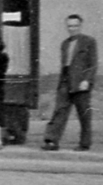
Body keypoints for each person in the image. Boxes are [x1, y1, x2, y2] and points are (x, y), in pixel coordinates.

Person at [41, 14, 97, 151]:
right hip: (66, 81)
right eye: (70, 26)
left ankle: (85, 143)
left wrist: (86, 80)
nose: (72, 29)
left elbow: (93, 64)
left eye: (75, 26)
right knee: (60, 111)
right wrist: (61, 84)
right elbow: (65, 65)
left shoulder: (89, 41)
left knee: (84, 113)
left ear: (80, 26)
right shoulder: (65, 44)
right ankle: (52, 141)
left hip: (80, 82)